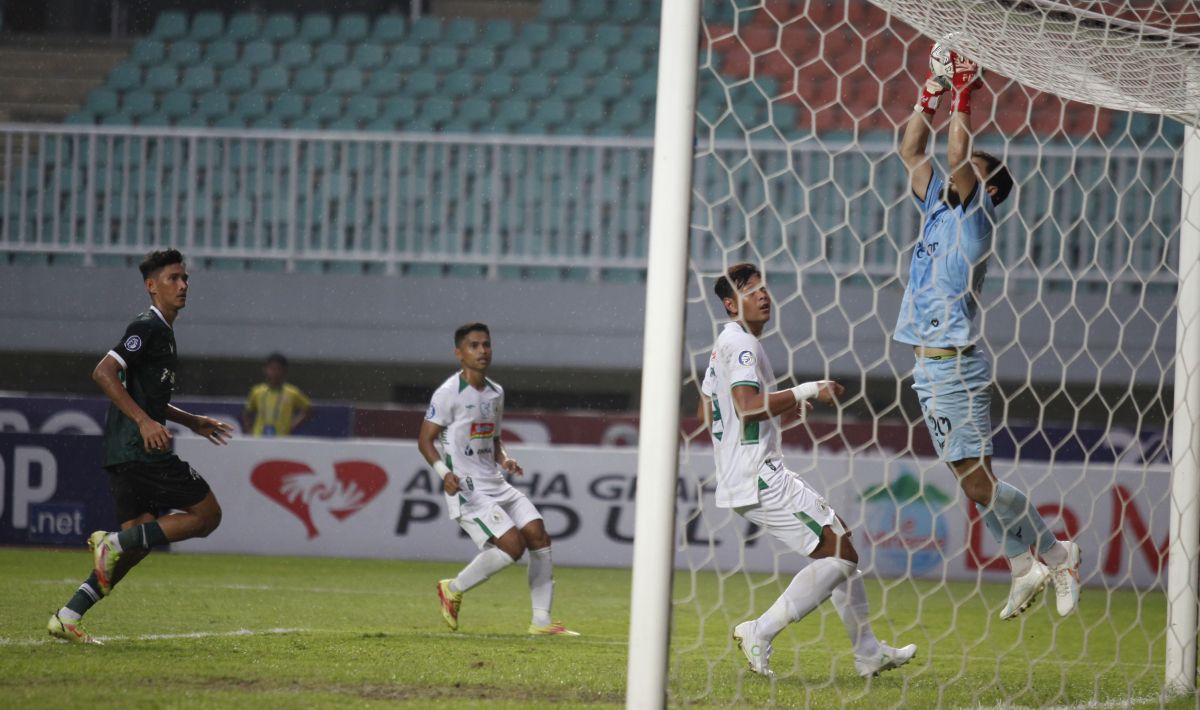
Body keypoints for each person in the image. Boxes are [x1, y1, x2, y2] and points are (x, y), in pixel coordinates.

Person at [898, 47, 1081, 618]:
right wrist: (929, 91)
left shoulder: (977, 221)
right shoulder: (937, 208)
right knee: (971, 480)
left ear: (989, 189)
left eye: (973, 168)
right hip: (926, 365)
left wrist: (964, 89)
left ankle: (1056, 551)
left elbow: (954, 153)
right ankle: (1023, 565)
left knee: (978, 486)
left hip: (954, 362)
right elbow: (910, 149)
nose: (961, 167)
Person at [699, 263, 916, 678]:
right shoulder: (742, 344)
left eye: (764, 287)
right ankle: (759, 631)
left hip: (746, 468)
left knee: (839, 540)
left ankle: (868, 650)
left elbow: (709, 406)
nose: (763, 295)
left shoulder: (722, 345)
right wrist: (805, 389)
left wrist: (774, 415)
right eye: (750, 290)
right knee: (842, 554)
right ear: (730, 304)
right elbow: (745, 407)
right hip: (757, 472)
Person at [48, 249, 233, 644]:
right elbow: (104, 372)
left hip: (122, 452)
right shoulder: (147, 326)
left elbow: (148, 397)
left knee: (137, 546)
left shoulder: (163, 331)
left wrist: (190, 420)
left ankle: (68, 615)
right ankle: (110, 541)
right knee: (207, 515)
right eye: (173, 279)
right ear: (151, 286)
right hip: (140, 448)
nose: (182, 285)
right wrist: (145, 422)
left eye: (185, 279)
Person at [418, 323, 578, 637]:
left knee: (538, 536)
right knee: (512, 546)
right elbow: (425, 440)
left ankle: (542, 622)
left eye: (486, 345)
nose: (482, 351)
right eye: (474, 346)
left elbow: (494, 437)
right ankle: (453, 588)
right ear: (459, 353)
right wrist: (444, 474)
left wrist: (504, 457)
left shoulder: (495, 391)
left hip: (496, 482)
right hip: (467, 488)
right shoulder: (448, 393)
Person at [243, 352, 312, 437]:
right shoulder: (257, 391)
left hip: (281, 438)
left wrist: (293, 424)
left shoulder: (292, 392)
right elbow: (247, 413)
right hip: (259, 437)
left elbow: (308, 409)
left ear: (284, 371)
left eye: (278, 369)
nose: (274, 373)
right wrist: (250, 432)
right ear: (265, 369)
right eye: (271, 369)